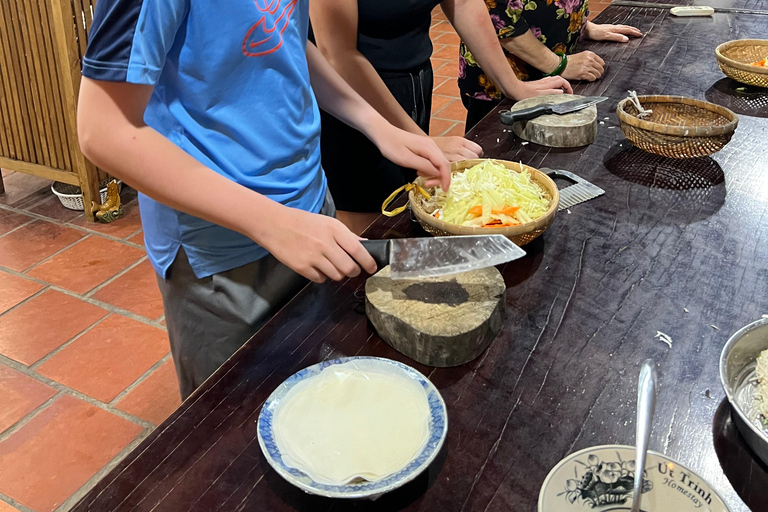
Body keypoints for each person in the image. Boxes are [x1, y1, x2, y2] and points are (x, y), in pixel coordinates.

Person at [76, 0, 453, 399]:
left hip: (311, 212)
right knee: (237, 433)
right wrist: (273, 222)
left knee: (323, 400)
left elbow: (285, 36)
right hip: (221, 253)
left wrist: (376, 125)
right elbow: (103, 129)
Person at [310, 0, 573, 235]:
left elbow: (464, 4)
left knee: (410, 204)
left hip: (413, 80)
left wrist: (513, 86)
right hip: (349, 94)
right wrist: (418, 140)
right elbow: (336, 53)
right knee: (375, 225)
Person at [459, 0, 642, 130]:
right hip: (507, 81)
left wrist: (581, 25)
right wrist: (559, 64)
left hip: (553, 73)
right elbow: (497, 18)